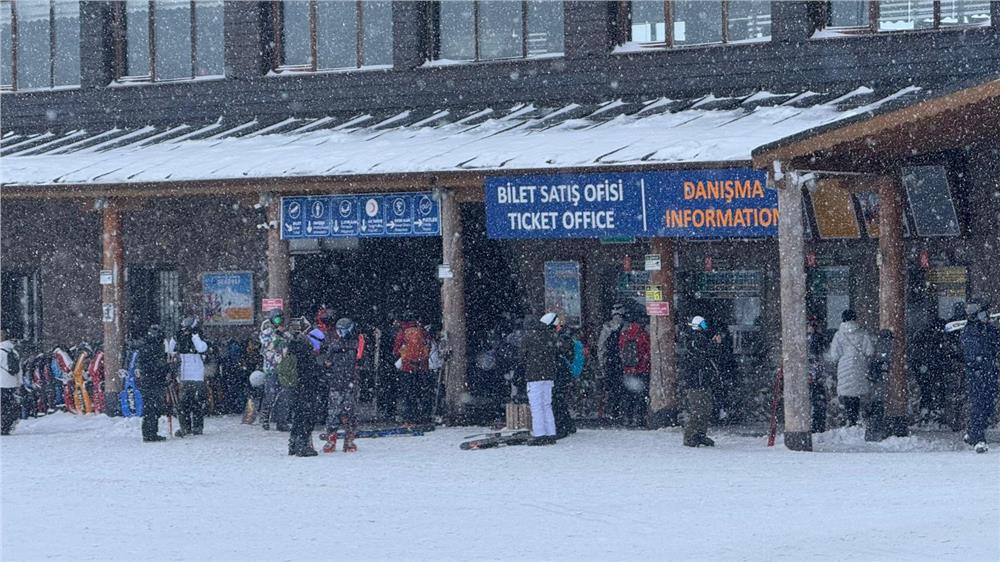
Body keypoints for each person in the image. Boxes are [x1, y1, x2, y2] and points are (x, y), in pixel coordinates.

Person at [522, 312, 570, 445]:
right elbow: (562, 350)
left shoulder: (530, 336)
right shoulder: (552, 337)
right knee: (547, 405)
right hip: (549, 376)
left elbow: (522, 356)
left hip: (533, 376)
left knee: (536, 406)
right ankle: (551, 433)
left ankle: (539, 434)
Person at [959, 301, 1000, 452]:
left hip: (990, 373)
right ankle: (978, 438)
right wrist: (979, 364)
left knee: (987, 405)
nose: (987, 317)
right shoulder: (970, 332)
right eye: (984, 314)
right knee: (979, 406)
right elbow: (972, 354)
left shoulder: (988, 329)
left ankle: (971, 433)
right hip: (977, 375)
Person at [320, 318, 365, 452]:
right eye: (339, 330)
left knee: (350, 412)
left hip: (351, 382)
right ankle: (331, 439)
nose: (341, 333)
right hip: (337, 382)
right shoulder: (334, 345)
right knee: (333, 412)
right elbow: (326, 363)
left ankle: (349, 440)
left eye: (344, 330)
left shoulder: (357, 344)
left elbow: (361, 361)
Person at [826, 309, 873, 427]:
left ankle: (849, 417)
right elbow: (869, 351)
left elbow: (834, 355)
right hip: (859, 365)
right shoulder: (863, 333)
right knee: (856, 393)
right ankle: (855, 417)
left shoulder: (839, 335)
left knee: (847, 392)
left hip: (844, 365)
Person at [285, 317, 322, 457]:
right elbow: (310, 371)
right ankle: (303, 445)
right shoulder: (306, 349)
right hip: (306, 386)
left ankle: (293, 444)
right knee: (307, 416)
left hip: (294, 386)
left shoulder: (294, 344)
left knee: (298, 415)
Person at [167, 316, 209, 437]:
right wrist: (175, 337)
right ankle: (185, 427)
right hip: (184, 375)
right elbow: (171, 348)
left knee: (197, 402)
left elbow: (202, 348)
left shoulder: (198, 336)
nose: (185, 332)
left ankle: (198, 427)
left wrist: (194, 336)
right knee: (183, 403)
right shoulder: (181, 337)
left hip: (197, 374)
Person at [682, 316, 719, 447]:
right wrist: (713, 344)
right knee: (697, 410)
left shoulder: (700, 339)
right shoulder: (693, 340)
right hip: (696, 382)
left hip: (703, 382)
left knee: (705, 409)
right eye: (702, 324)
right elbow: (703, 355)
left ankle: (700, 434)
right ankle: (690, 436)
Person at [393, 313, 432, 424]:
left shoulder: (402, 333)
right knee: (422, 392)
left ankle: (410, 417)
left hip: (407, 367)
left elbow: (396, 350)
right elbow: (429, 345)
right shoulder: (422, 331)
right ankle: (425, 416)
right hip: (422, 367)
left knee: (408, 393)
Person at [136, 325, 170, 442]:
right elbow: (154, 365)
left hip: (150, 381)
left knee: (150, 408)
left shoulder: (146, 346)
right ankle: (150, 434)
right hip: (152, 381)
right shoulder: (152, 347)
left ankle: (149, 433)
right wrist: (165, 367)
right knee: (152, 408)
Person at [258, 309, 290, 430]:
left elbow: (290, 346)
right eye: (277, 319)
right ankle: (265, 418)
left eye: (281, 319)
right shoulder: (267, 333)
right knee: (270, 394)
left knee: (284, 395)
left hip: (284, 368)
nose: (280, 322)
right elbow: (268, 346)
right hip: (271, 368)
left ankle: (282, 421)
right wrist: (277, 335)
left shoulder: (286, 333)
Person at [618, 316, 651, 427]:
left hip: (628, 370)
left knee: (629, 395)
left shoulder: (624, 335)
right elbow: (647, 352)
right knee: (642, 396)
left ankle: (628, 416)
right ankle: (640, 417)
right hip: (641, 369)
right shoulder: (643, 335)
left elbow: (621, 350)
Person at [597, 303, 626, 421]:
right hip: (625, 363)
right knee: (626, 387)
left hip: (611, 361)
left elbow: (601, 347)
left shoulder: (606, 327)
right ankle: (626, 412)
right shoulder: (628, 326)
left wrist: (602, 363)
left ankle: (614, 411)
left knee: (612, 388)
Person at [807, 318, 828, 433]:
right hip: (815, 374)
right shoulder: (817, 338)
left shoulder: (814, 338)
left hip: (815, 374)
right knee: (818, 401)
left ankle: (817, 425)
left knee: (817, 401)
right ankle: (818, 426)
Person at [1, 330, 21, 436]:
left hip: (1, 383)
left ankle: (3, 426)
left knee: (2, 405)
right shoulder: (14, 352)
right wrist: (19, 383)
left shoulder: (0, 351)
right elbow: (19, 370)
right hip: (12, 383)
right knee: (9, 404)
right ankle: (7, 425)